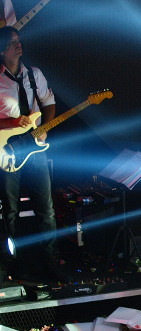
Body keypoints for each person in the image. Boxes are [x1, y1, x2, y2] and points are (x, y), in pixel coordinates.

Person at [0, 26, 59, 281]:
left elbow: (49, 102)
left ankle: (50, 262)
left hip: (35, 149)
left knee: (46, 209)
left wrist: (45, 127)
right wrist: (11, 123)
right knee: (9, 211)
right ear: (2, 50)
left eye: (19, 40)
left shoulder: (34, 74)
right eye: (12, 42)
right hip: (8, 150)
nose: (18, 45)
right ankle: (12, 264)